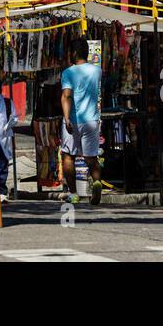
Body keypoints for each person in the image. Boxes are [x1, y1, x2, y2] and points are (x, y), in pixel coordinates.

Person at [60, 38, 103, 206]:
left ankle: (73, 193)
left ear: (74, 53)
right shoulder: (97, 71)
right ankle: (97, 182)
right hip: (92, 119)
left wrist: (66, 117)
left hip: (74, 120)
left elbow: (67, 95)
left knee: (68, 156)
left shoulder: (68, 73)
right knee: (91, 157)